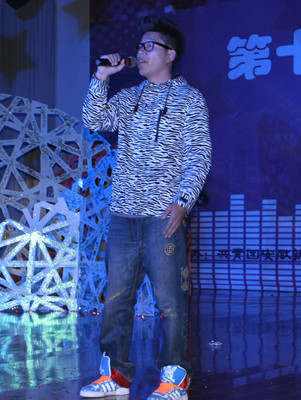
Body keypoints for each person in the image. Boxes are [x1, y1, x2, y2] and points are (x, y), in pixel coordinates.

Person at [79, 15, 212, 400]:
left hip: (162, 218)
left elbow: (199, 156)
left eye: (149, 46)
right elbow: (93, 119)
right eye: (139, 46)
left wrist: (183, 202)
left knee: (170, 301)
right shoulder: (129, 97)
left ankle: (175, 378)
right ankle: (115, 375)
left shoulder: (189, 100)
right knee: (116, 300)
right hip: (123, 216)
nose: (140, 52)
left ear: (170, 54)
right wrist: (102, 77)